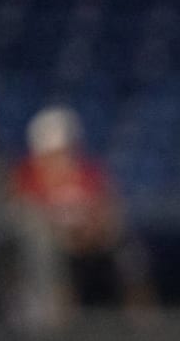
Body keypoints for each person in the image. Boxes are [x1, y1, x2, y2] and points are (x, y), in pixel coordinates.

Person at [9, 105, 156, 328]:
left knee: (127, 247)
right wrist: (62, 233)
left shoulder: (89, 171)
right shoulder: (27, 176)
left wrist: (94, 229)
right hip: (54, 242)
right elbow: (24, 217)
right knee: (43, 249)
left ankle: (143, 319)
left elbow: (108, 207)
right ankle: (58, 322)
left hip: (91, 237)